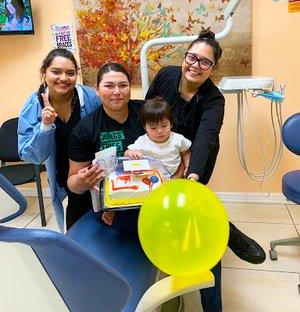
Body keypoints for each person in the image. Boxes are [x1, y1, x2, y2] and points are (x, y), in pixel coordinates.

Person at [67, 62, 222, 312]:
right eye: (109, 86)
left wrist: (182, 170)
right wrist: (83, 180)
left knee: (201, 232)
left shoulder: (148, 112)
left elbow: (178, 146)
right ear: (97, 90)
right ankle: (158, 286)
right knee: (162, 236)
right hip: (118, 209)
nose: (117, 91)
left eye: (123, 85)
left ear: (131, 87)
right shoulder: (86, 129)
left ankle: (210, 306)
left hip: (160, 197)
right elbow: (73, 183)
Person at [145, 29, 266, 269]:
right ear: (184, 57)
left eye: (204, 62)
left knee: (189, 197)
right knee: (173, 203)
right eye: (191, 57)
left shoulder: (214, 99)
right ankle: (217, 234)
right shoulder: (165, 76)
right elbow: (147, 111)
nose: (195, 65)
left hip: (199, 155)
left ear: (213, 68)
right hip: (165, 150)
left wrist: (191, 173)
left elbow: (205, 138)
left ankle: (223, 235)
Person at [18, 48, 100, 232]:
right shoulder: (34, 105)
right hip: (65, 177)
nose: (64, 78)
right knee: (77, 230)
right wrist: (45, 126)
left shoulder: (90, 98)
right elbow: (32, 155)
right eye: (56, 71)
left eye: (70, 73)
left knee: (105, 228)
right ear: (44, 72)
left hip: (96, 172)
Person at [125, 96, 191, 177]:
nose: (159, 131)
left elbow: (186, 153)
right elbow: (127, 152)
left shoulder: (178, 139)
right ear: (145, 128)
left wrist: (188, 167)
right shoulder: (142, 141)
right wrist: (131, 153)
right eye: (153, 128)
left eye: (164, 126)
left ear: (171, 124)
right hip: (150, 178)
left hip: (174, 177)